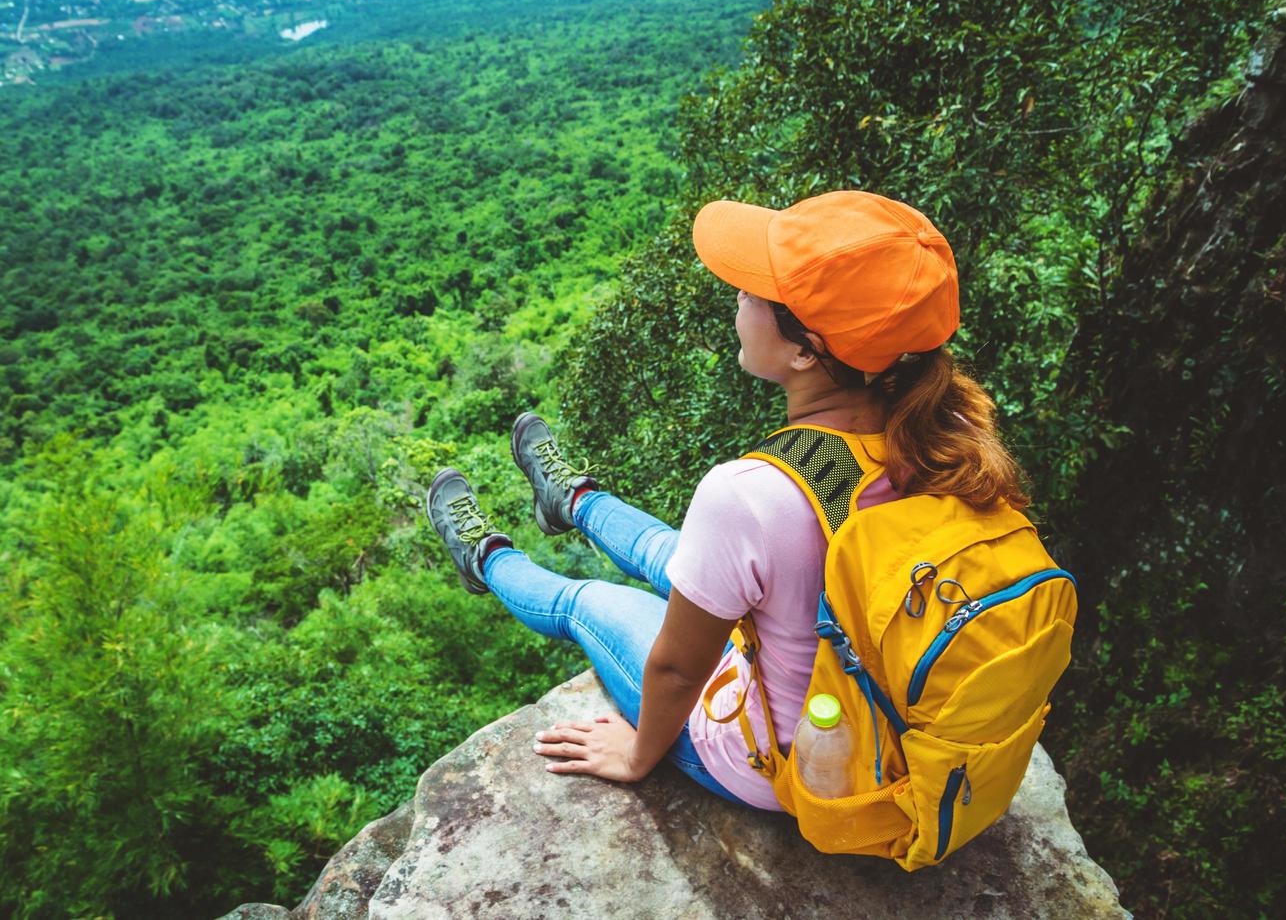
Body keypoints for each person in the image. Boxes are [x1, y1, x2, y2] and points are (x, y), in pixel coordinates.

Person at [424, 190, 1030, 810]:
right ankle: (573, 500)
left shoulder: (750, 496)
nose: (737, 297)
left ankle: (486, 556)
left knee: (591, 599)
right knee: (673, 552)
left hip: (783, 761)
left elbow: (678, 672)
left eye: (753, 292)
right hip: (881, 727)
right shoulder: (951, 439)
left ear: (805, 350)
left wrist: (638, 756)